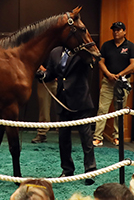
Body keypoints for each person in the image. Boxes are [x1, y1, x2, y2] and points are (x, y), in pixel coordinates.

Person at [38, 46, 97, 185]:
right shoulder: (55, 52)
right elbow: (52, 73)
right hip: (62, 101)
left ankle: (90, 171)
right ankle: (67, 170)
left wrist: (84, 50)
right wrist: (43, 76)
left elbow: (92, 60)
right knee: (63, 139)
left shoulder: (83, 52)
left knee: (86, 139)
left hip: (80, 101)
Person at [93, 22, 134, 147]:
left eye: (118, 30)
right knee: (102, 109)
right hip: (108, 82)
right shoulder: (107, 46)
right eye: (114, 30)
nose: (116, 32)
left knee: (120, 110)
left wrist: (120, 74)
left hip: (123, 82)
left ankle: (118, 137)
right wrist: (108, 74)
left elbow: (133, 65)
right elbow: (101, 62)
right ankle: (98, 137)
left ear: (124, 31)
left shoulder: (130, 46)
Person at [31, 55, 58, 144]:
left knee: (63, 107)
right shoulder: (42, 42)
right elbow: (36, 60)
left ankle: (64, 132)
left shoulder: (62, 45)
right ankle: (42, 133)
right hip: (44, 80)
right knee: (44, 107)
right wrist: (47, 73)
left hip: (60, 80)